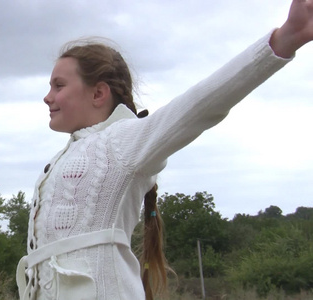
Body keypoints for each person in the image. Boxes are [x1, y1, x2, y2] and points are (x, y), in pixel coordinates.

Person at [17, 1, 313, 299]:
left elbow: (201, 104)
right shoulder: (64, 157)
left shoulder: (123, 141)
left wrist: (284, 39)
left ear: (98, 93)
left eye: (59, 85)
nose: (47, 96)